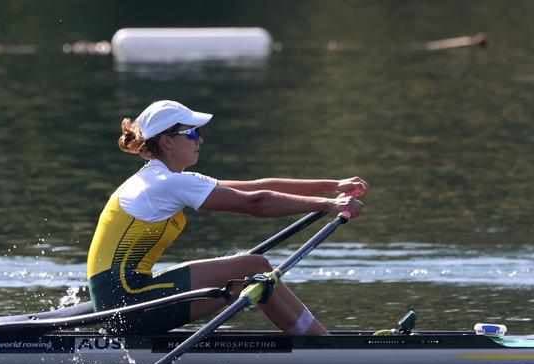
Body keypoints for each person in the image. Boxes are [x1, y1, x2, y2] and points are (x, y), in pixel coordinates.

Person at [87, 99, 368, 335]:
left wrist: (332, 186)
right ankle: (321, 343)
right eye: (193, 133)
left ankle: (317, 338)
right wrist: (330, 204)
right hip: (127, 304)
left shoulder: (165, 177)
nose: (200, 139)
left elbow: (257, 186)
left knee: (248, 269)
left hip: (124, 300)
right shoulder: (166, 182)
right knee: (253, 267)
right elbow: (256, 203)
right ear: (167, 142)